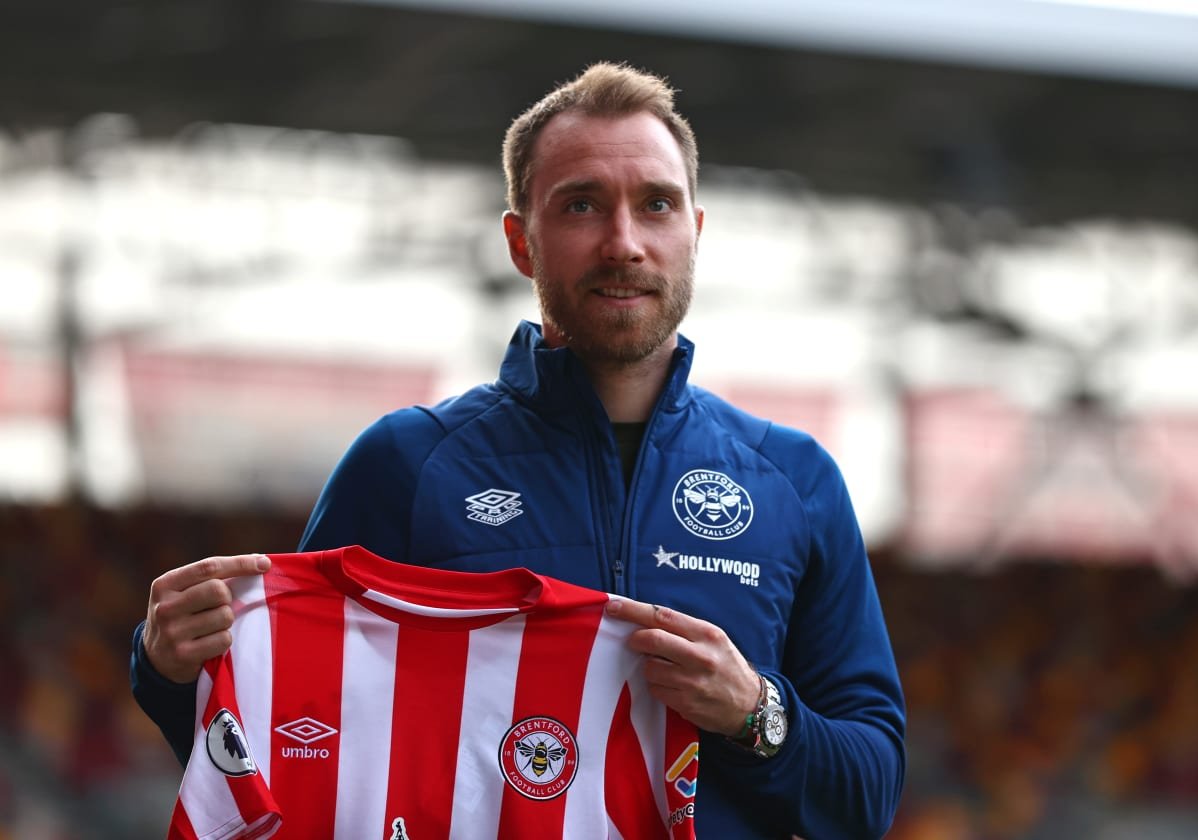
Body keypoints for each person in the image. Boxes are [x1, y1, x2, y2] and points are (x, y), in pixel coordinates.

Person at [132, 62, 905, 838]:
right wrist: (169, 670)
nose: (624, 243)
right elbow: (293, 740)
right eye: (581, 205)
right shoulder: (407, 465)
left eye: (656, 205)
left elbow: (869, 793)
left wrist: (755, 713)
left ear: (694, 232)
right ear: (521, 242)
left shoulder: (793, 480)